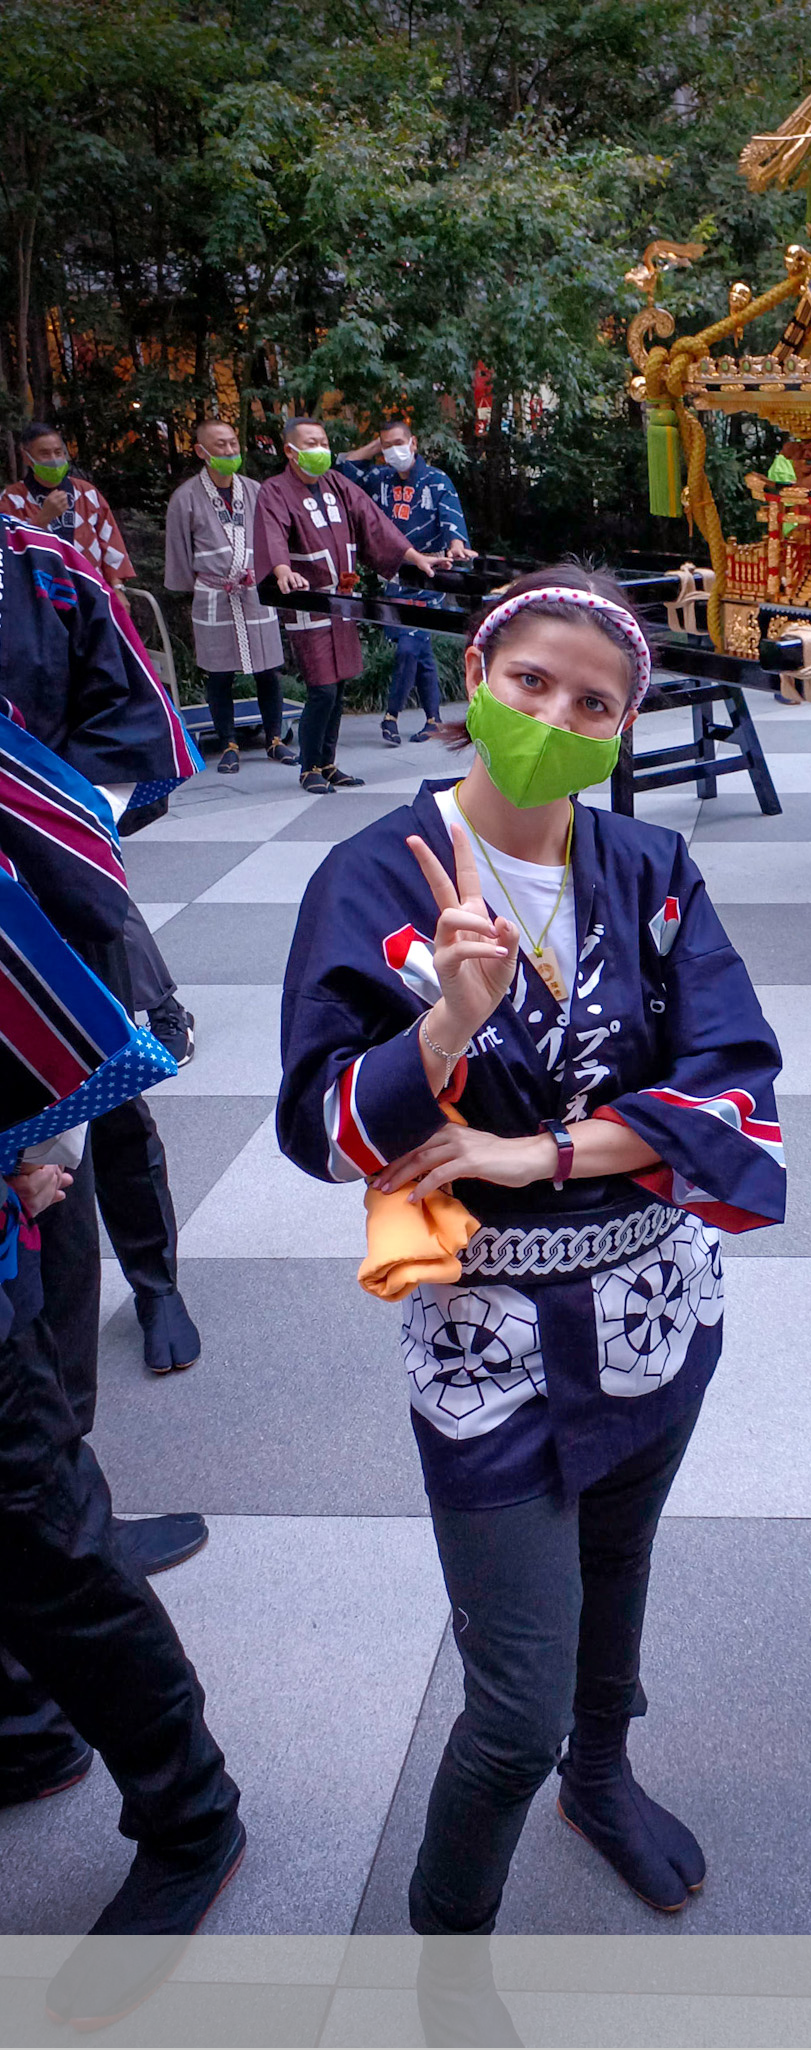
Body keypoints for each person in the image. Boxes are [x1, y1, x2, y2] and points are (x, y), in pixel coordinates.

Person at [276, 567, 785, 1976]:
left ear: (626, 726)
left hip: (650, 1308)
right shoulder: (374, 875)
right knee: (510, 1706)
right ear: (477, 675)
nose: (557, 715)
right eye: (531, 682)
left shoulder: (650, 872)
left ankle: (604, 1773)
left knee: (618, 1572)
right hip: (487, 1337)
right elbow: (324, 1127)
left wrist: (532, 1153)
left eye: (595, 701)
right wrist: (447, 1019)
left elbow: (734, 1085)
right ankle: (446, 1947)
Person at [0, 703, 243, 2019]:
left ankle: (188, 1807)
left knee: (38, 1519)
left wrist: (65, 1093)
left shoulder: (37, 562)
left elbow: (74, 823)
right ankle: (25, 1734)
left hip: (36, 1091)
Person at [0, 512, 207, 1406]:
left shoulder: (41, 567)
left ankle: (155, 1283)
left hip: (53, 887)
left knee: (103, 1098)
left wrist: (55, 830)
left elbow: (131, 718)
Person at [255, 418, 443, 794]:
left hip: (344, 601)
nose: (321, 448)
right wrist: (281, 571)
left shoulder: (337, 485)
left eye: (323, 441)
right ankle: (308, 767)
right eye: (312, 442)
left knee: (339, 688)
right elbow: (271, 532)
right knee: (322, 689)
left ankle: (328, 763)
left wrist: (413, 556)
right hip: (309, 600)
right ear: (291, 451)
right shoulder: (274, 491)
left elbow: (374, 523)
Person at [164, 419, 298, 775]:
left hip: (255, 590)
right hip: (213, 593)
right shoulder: (185, 498)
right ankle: (228, 743)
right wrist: (198, 583)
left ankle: (274, 738)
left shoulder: (256, 490)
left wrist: (269, 572)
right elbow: (179, 554)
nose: (228, 451)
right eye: (220, 445)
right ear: (201, 451)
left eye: (233, 444)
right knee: (218, 673)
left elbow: (274, 538)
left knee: (269, 668)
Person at [338, 419, 474, 746]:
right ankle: (433, 720)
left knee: (409, 645)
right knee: (419, 650)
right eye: (388, 445)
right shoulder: (381, 478)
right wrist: (376, 447)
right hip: (396, 572)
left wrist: (456, 545)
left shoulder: (436, 479)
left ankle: (391, 716)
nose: (394, 450)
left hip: (430, 574)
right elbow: (342, 471)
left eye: (400, 442)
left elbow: (451, 517)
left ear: (413, 443)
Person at [1, 423, 135, 586]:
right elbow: (7, 551)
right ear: (27, 457)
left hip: (92, 590)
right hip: (40, 593)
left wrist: (118, 587)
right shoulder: (12, 498)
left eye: (58, 452)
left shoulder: (87, 492)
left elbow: (110, 542)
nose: (54, 460)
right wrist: (42, 519)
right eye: (44, 454)